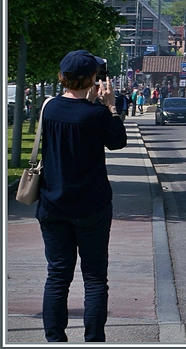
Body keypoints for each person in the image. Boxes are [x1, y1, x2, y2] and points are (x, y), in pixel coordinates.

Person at [37, 50, 128, 343]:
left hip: (53, 204)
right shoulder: (96, 114)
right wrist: (111, 106)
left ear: (63, 77)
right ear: (92, 79)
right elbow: (118, 142)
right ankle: (93, 339)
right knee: (95, 278)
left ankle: (54, 340)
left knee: (57, 276)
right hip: (92, 206)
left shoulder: (49, 108)